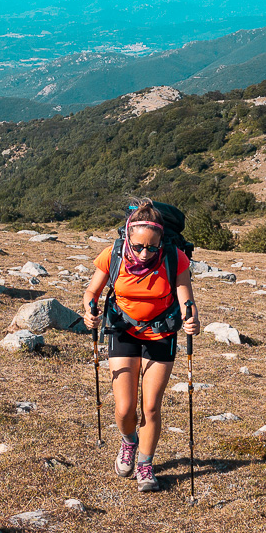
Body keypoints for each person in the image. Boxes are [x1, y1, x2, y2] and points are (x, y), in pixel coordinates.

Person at [82, 200, 199, 492]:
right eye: (138, 247)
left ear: (162, 242)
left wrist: (192, 320)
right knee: (124, 410)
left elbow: (187, 298)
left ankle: (146, 464)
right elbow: (91, 291)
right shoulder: (114, 255)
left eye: (152, 248)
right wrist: (89, 311)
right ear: (128, 239)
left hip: (162, 335)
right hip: (123, 331)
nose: (145, 253)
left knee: (150, 407)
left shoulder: (175, 258)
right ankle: (129, 441)